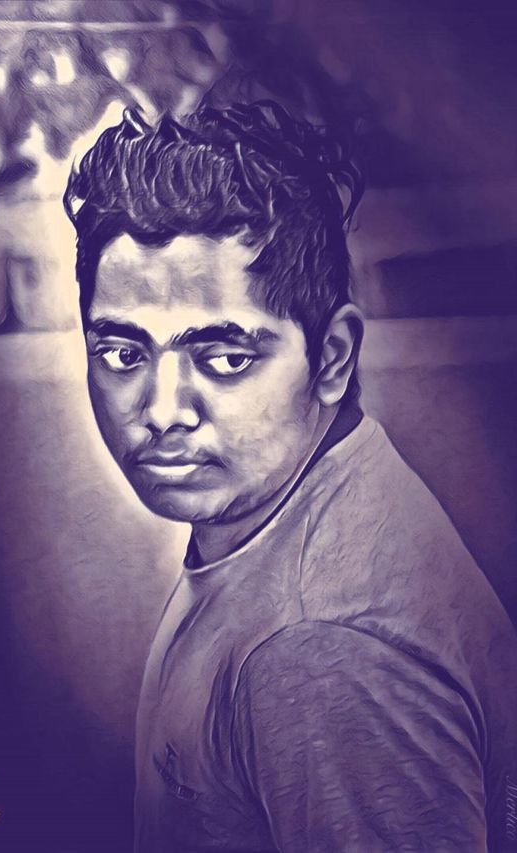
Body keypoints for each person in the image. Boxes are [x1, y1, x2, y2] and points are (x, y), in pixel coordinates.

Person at [64, 101, 517, 852]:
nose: (162, 411)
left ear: (332, 358)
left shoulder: (322, 650)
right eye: (122, 353)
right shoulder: (295, 502)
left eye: (225, 357)